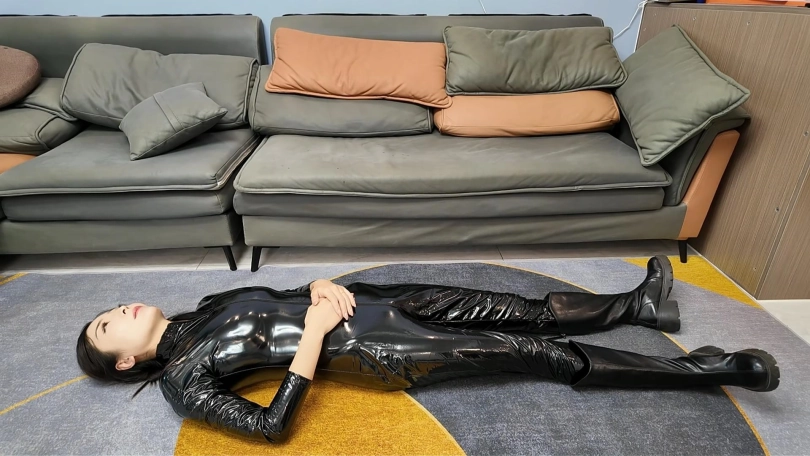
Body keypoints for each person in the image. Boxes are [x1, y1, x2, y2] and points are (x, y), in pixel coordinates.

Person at [76, 256, 779, 444]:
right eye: (109, 327)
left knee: (516, 308)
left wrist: (318, 285)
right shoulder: (184, 383)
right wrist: (313, 336)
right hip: (376, 347)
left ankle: (636, 306)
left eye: (109, 309)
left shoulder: (207, 305)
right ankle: (701, 370)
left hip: (377, 299)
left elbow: (282, 292)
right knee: (532, 351)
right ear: (125, 362)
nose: (120, 310)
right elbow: (269, 427)